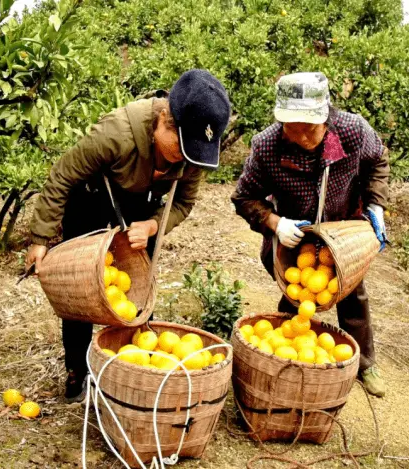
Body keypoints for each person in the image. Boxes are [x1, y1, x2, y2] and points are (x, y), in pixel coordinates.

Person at [26, 70, 231, 402]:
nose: (184, 157)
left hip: (140, 207)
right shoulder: (116, 134)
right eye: (180, 147)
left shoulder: (194, 150)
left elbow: (183, 202)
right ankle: (77, 369)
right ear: (164, 119)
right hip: (91, 196)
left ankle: (130, 370)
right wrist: (41, 238)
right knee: (81, 287)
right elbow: (63, 176)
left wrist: (152, 226)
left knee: (134, 290)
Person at [231, 72, 389, 397]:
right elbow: (244, 196)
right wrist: (274, 222)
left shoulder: (352, 132)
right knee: (295, 290)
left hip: (341, 230)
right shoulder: (268, 145)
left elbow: (377, 162)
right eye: (294, 127)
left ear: (326, 118)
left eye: (310, 128)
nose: (302, 137)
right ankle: (283, 351)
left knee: (352, 293)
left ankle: (364, 364)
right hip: (293, 233)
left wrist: (376, 205)